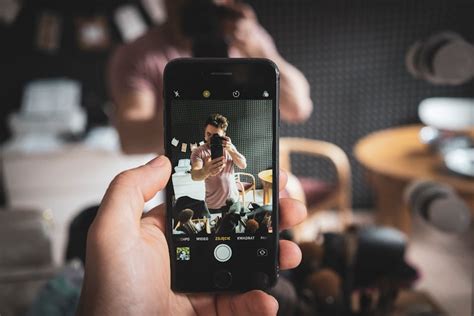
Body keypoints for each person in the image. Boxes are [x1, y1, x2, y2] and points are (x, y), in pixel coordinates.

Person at [76, 155, 307, 315]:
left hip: (231, 199)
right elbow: (196, 175)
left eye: (218, 135)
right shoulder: (199, 153)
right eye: (210, 135)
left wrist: (231, 152)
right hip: (208, 203)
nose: (214, 139)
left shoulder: (228, 150)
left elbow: (242, 163)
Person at [108, 0, 313, 154]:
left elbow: (298, 108)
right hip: (189, 172)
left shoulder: (246, 39)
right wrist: (187, 104)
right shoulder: (138, 55)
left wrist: (259, 50)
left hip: (253, 162)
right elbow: (130, 139)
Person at [191, 114, 245, 211]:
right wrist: (205, 171)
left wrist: (232, 150)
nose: (212, 139)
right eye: (208, 134)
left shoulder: (229, 147)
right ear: (204, 134)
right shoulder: (198, 152)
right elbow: (194, 175)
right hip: (213, 205)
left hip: (233, 201)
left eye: (216, 136)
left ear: (224, 135)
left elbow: (243, 165)